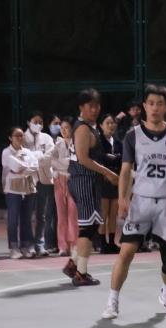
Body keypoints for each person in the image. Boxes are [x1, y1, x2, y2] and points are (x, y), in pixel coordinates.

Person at [102, 84, 166, 319]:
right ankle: (112, 301)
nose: (155, 108)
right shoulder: (133, 136)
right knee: (126, 252)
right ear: (144, 106)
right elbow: (125, 170)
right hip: (141, 201)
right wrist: (123, 198)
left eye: (160, 104)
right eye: (151, 103)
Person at [66, 88, 120, 285]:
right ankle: (81, 273)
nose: (95, 109)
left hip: (87, 181)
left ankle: (73, 263)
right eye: (91, 106)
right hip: (84, 180)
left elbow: (90, 155)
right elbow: (83, 158)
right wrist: (108, 172)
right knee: (88, 228)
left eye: (97, 105)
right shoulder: (82, 128)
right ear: (81, 107)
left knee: (92, 226)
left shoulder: (90, 126)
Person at [2, 126, 39, 259]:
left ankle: (26, 245)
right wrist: (24, 169)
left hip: (28, 189)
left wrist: (22, 169)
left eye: (21, 135)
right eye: (16, 135)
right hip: (13, 190)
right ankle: (13, 247)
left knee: (26, 219)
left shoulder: (28, 152)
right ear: (10, 138)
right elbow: (14, 167)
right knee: (13, 220)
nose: (19, 138)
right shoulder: (6, 152)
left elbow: (35, 166)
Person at [23, 110, 57, 257]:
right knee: (27, 214)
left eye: (40, 122)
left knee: (42, 215)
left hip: (45, 180)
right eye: (35, 122)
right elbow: (23, 158)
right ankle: (28, 245)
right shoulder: (23, 137)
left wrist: (34, 158)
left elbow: (51, 157)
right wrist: (39, 157)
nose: (38, 124)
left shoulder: (47, 138)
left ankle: (40, 244)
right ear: (28, 122)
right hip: (29, 180)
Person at [50, 117, 79, 258]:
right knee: (61, 215)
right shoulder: (57, 143)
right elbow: (52, 161)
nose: (64, 130)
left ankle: (74, 245)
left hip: (73, 180)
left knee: (73, 215)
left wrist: (62, 163)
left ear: (72, 128)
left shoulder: (77, 143)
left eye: (66, 127)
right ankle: (62, 246)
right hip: (59, 180)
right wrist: (65, 163)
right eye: (62, 128)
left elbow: (76, 162)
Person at [98, 114, 122, 254]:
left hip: (116, 181)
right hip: (103, 181)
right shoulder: (98, 141)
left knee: (113, 214)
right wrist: (106, 174)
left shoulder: (118, 143)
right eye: (107, 123)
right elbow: (97, 160)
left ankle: (112, 242)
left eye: (113, 123)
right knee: (103, 214)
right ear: (101, 126)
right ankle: (103, 244)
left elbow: (122, 161)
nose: (111, 125)